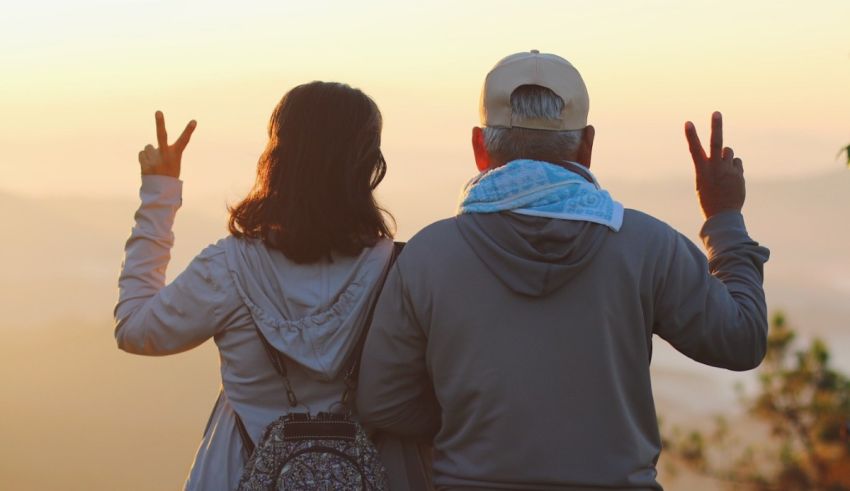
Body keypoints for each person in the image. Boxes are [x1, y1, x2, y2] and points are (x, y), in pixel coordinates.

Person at [356, 51, 770, 490]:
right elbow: (741, 340)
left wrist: (471, 418)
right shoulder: (647, 245)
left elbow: (382, 401)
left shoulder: (428, 255)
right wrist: (724, 216)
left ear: (480, 146)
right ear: (587, 146)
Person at [114, 81, 397, 490]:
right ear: (368, 163)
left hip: (233, 476)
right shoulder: (398, 269)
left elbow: (135, 329)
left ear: (277, 157)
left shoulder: (228, 266)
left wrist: (160, 194)